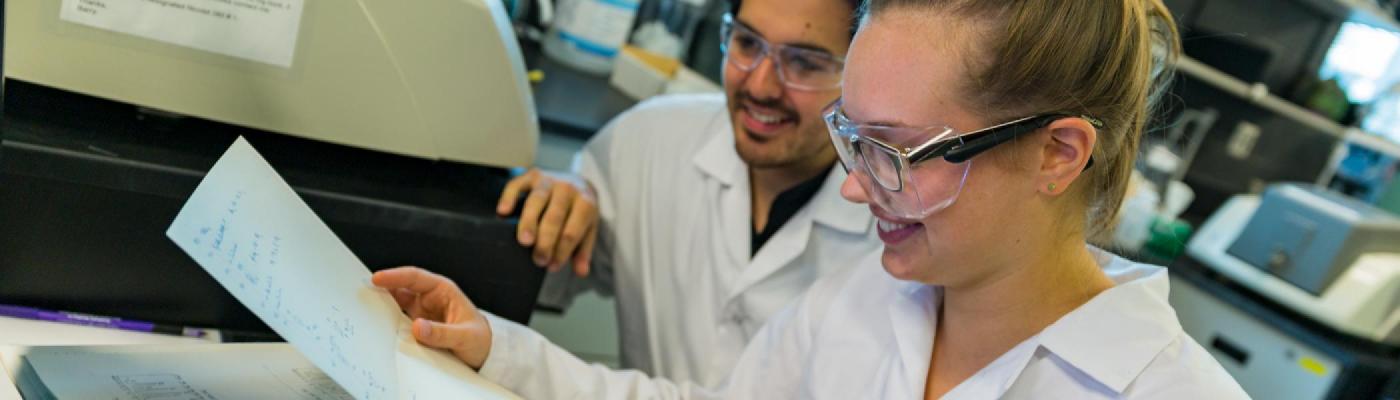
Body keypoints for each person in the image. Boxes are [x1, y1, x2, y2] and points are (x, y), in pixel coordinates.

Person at [374, 0, 1250, 398]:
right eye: (851, 136)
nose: (855, 184)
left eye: (895, 152)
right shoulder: (864, 301)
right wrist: (500, 352)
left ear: (1057, 154)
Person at [489, 0, 879, 387]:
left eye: (804, 63)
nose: (760, 85)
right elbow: (531, 281)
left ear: (863, 74)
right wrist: (557, 204)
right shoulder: (651, 140)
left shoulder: (890, 238)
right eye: (747, 43)